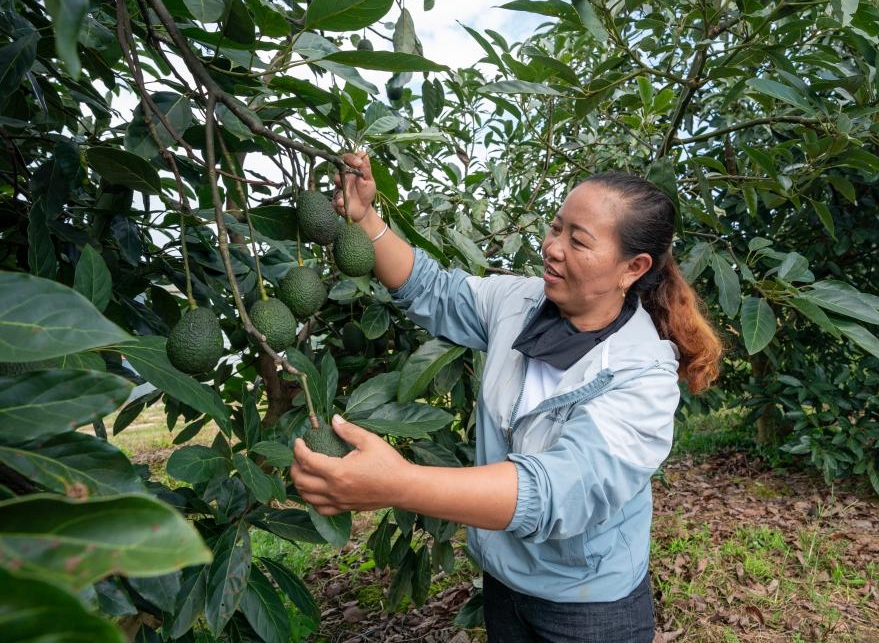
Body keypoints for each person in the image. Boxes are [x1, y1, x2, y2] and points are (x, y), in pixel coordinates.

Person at [291, 151, 722, 642]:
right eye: (556, 228)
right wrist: (365, 218)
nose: (552, 247)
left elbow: (559, 491)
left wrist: (397, 483)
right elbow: (433, 291)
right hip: (504, 580)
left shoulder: (642, 371)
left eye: (577, 240)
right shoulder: (519, 302)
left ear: (633, 267)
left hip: (588, 605)